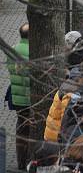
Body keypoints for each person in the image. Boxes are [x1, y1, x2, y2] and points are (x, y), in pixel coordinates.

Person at [7, 22, 32, 169]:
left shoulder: (13, 50)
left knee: (21, 128)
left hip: (17, 98)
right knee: (31, 130)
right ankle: (29, 162)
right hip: (30, 98)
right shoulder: (34, 52)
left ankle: (21, 162)